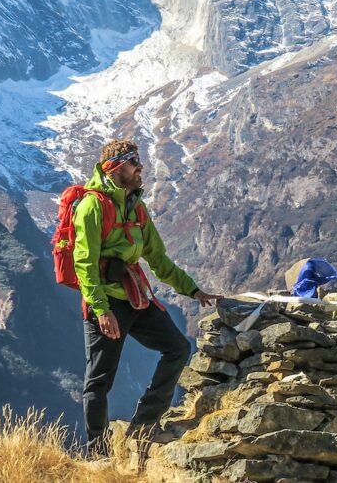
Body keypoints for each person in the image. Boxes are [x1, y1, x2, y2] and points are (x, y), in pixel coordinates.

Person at [73, 139, 220, 455]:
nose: (140, 168)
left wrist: (191, 289)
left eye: (138, 162)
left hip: (135, 297)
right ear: (115, 168)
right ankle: (97, 451)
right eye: (132, 163)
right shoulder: (92, 206)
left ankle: (143, 425)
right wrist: (100, 310)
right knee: (99, 380)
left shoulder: (136, 208)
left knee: (178, 348)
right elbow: (84, 262)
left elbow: (158, 258)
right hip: (107, 303)